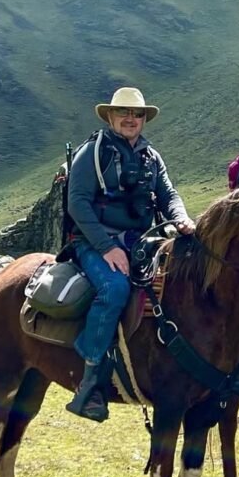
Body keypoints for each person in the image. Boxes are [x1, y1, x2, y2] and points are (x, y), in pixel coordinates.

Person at [66, 86, 195, 422]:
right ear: (110, 116)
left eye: (136, 114)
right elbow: (77, 203)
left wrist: (180, 217)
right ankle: (90, 381)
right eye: (123, 112)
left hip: (141, 241)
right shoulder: (92, 153)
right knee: (115, 289)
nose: (130, 118)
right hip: (93, 241)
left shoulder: (152, 157)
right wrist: (107, 247)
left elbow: (168, 195)